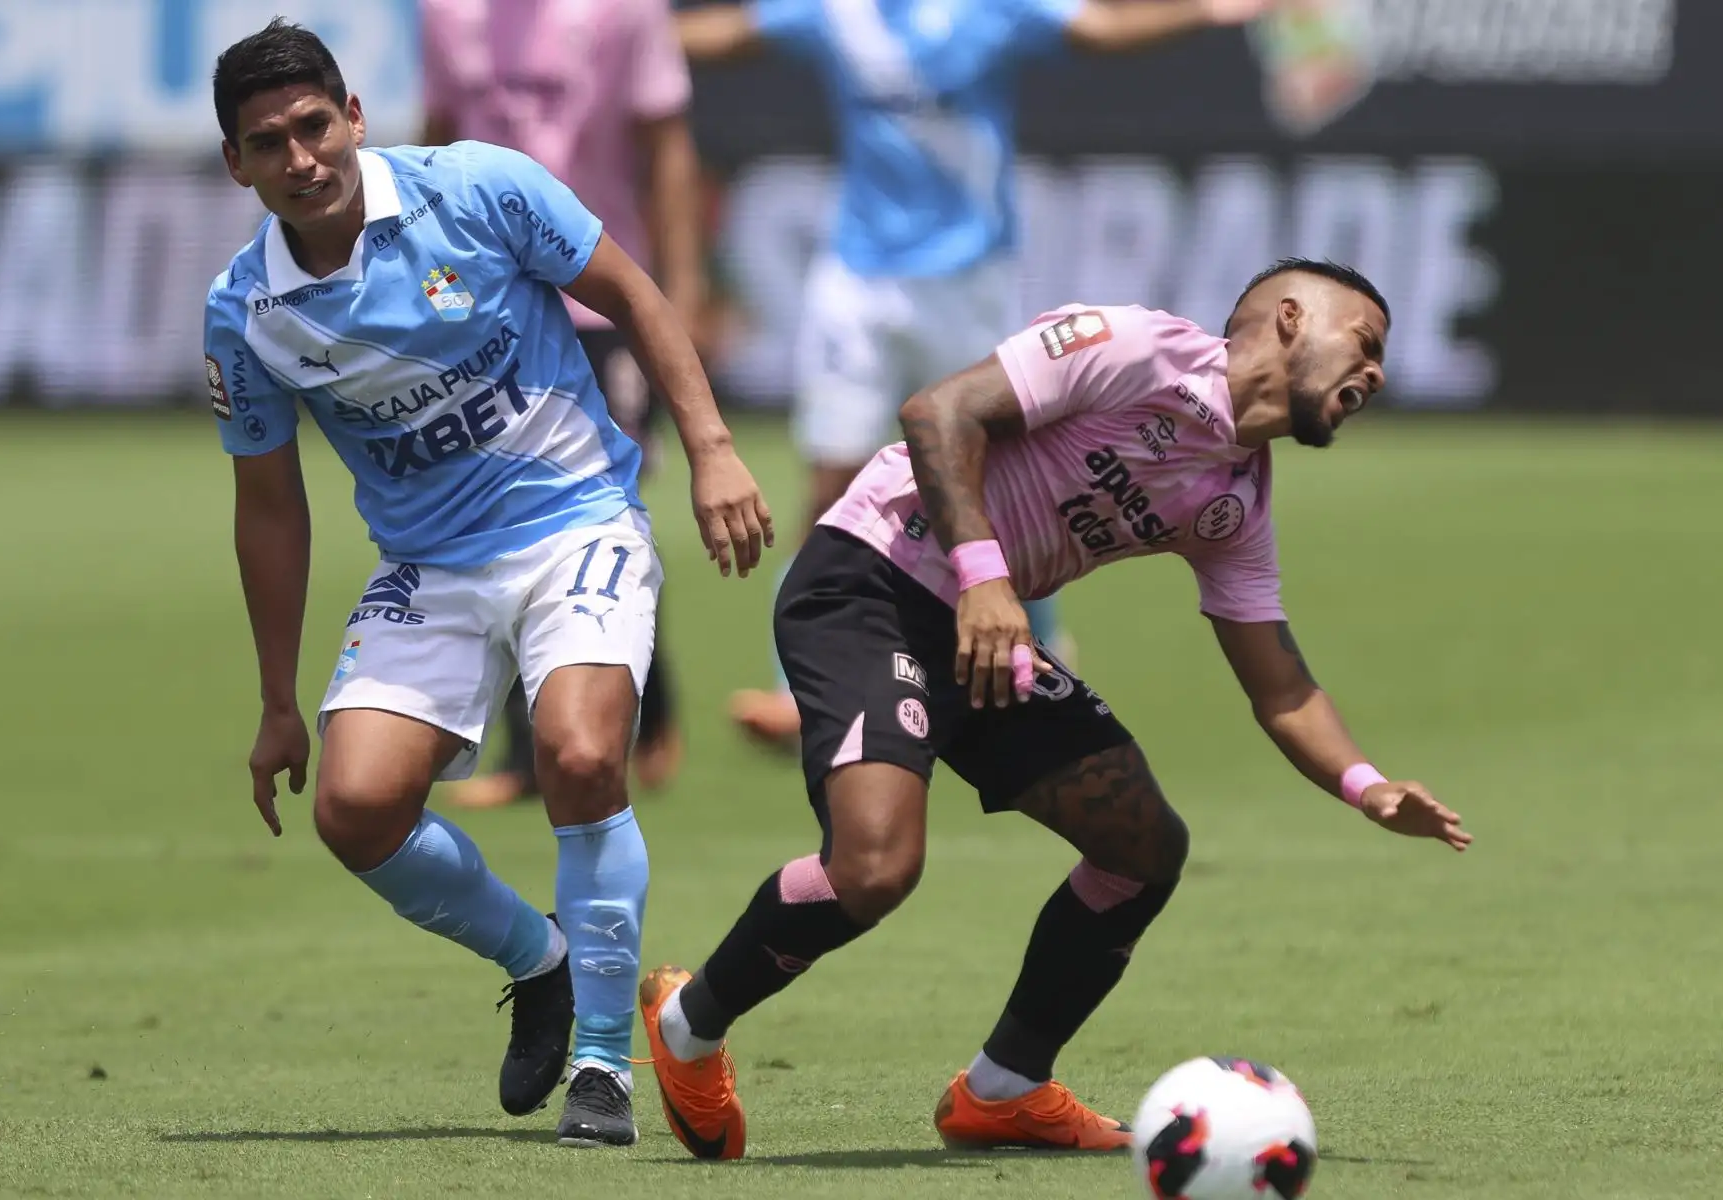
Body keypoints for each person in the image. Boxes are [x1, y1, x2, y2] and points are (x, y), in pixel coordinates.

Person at [633, 259, 1473, 1160]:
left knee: (1144, 845)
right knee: (876, 867)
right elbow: (937, 412)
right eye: (1366, 343)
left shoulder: (1236, 501)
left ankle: (1004, 1088)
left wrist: (1367, 787)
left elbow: (1283, 689)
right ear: (1292, 319)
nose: (1377, 373)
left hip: (983, 633)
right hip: (869, 581)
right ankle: (689, 1025)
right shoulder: (1139, 349)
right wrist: (988, 581)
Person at [203, 19, 771, 1149]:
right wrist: (277, 701)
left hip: (576, 524)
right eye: (268, 143)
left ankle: (605, 1063)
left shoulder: (481, 190)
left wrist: (711, 448)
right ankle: (539, 960)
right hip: (429, 565)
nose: (300, 157)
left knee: (578, 752)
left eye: (314, 125)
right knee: (355, 811)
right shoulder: (245, 312)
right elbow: (269, 506)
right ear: (239, 164)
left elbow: (638, 297)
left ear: (355, 117)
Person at [676, 0, 1275, 745]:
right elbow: (724, 35)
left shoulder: (993, 9)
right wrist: (615, 33)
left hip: (970, 281)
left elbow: (1103, 28)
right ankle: (796, 688)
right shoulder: (836, 14)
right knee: (831, 488)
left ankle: (1045, 655)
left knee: (1004, 479)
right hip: (859, 282)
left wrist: (1211, 10)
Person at [418, 0, 708, 805]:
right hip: (485, 305)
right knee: (501, 513)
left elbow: (668, 147)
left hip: (598, 299)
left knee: (605, 509)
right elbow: (434, 143)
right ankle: (544, 747)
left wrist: (678, 291)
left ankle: (634, 716)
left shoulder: (628, 11)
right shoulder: (445, 12)